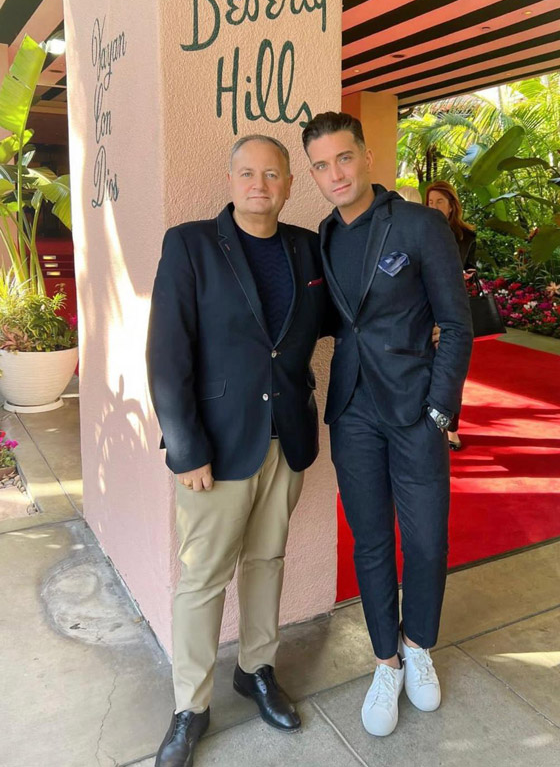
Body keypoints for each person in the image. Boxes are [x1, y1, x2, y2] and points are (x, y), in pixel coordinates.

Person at [146, 135, 329, 767]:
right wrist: (185, 448)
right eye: (247, 173)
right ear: (230, 180)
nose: (259, 185)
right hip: (216, 449)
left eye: (272, 174)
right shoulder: (190, 244)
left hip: (287, 438)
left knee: (267, 560)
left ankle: (256, 670)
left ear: (288, 184)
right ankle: (189, 707)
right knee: (203, 577)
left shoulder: (307, 246)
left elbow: (337, 318)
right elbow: (167, 353)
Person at [302, 112, 473, 738]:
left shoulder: (420, 225)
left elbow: (456, 325)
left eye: (343, 158)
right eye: (321, 165)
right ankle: (386, 661)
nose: (335, 174)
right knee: (370, 541)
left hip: (415, 410)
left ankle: (419, 644)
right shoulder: (323, 237)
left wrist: (439, 411)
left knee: (426, 540)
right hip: (352, 411)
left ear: (366, 156)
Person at [426, 180, 476, 451]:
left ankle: (452, 428)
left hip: (453, 309)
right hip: (426, 307)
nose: (434, 206)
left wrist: (468, 274)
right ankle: (431, 420)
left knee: (453, 367)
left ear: (451, 206)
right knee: (430, 366)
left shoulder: (465, 235)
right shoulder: (421, 229)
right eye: (430, 202)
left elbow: (471, 265)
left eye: (439, 202)